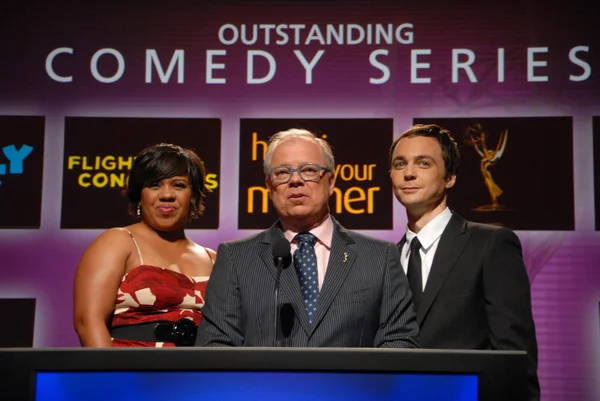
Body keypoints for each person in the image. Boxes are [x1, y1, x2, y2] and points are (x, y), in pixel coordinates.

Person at [197, 128, 419, 347]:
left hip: (350, 384)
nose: (295, 180)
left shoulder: (379, 257)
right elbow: (216, 346)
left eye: (309, 170)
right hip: (265, 384)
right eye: (282, 172)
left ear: (331, 181)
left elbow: (399, 341)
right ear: (268, 186)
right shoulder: (236, 258)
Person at [389, 124, 539, 399]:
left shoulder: (491, 244)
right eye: (400, 164)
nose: (408, 173)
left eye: (423, 163)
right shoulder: (384, 260)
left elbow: (515, 356)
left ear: (450, 178)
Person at [73, 143, 215, 347]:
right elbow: (88, 322)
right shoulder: (119, 241)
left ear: (193, 196)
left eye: (179, 185)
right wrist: (110, 376)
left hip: (199, 373)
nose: (167, 194)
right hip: (131, 372)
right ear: (139, 195)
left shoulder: (213, 258)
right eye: (154, 185)